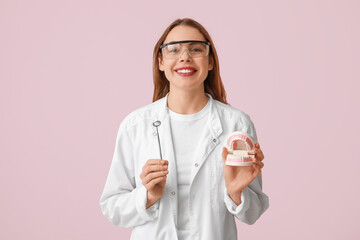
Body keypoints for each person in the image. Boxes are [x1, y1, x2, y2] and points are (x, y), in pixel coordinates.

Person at [99, 18, 269, 240]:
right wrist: (148, 196)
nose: (185, 57)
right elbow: (112, 207)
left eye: (196, 49)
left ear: (210, 62)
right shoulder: (135, 125)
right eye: (174, 49)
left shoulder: (236, 125)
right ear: (161, 62)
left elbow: (253, 213)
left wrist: (236, 192)